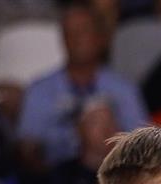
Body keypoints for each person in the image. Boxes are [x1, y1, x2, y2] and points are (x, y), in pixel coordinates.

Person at [15, 3, 150, 170]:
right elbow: (27, 146)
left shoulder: (123, 89)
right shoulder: (40, 90)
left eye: (83, 31)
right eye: (70, 33)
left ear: (100, 38)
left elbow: (143, 145)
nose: (76, 38)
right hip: (55, 176)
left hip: (113, 173)